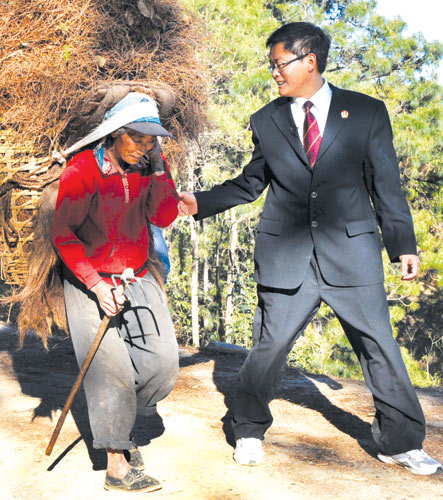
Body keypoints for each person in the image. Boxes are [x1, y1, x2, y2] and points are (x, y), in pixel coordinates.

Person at [178, 23, 442, 475]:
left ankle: (399, 441)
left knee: (379, 346)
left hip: (352, 254)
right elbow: (251, 181)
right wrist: (199, 203)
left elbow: (386, 184)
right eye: (272, 65)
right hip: (286, 256)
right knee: (269, 347)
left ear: (309, 61)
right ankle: (247, 430)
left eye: (279, 63)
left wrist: (403, 244)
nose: (274, 73)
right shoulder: (266, 119)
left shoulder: (366, 112)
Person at [51, 92, 179, 493]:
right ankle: (116, 465)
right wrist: (94, 283)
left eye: (151, 140)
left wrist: (159, 173)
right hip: (89, 279)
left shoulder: (150, 167)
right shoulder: (82, 171)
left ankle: (121, 426)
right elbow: (63, 234)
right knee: (111, 372)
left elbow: (164, 216)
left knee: (162, 366)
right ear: (114, 134)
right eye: (137, 139)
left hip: (137, 274)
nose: (145, 147)